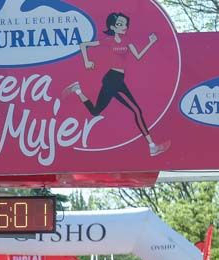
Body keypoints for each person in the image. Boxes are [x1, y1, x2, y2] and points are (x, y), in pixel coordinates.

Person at [65, 12, 170, 157]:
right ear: (113, 27)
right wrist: (87, 61)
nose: (124, 27)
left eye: (125, 24)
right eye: (120, 24)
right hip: (112, 80)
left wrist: (150, 42)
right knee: (137, 110)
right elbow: (84, 45)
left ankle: (77, 90)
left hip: (118, 79)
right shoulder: (108, 40)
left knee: (95, 111)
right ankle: (152, 146)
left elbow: (138, 56)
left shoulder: (127, 40)